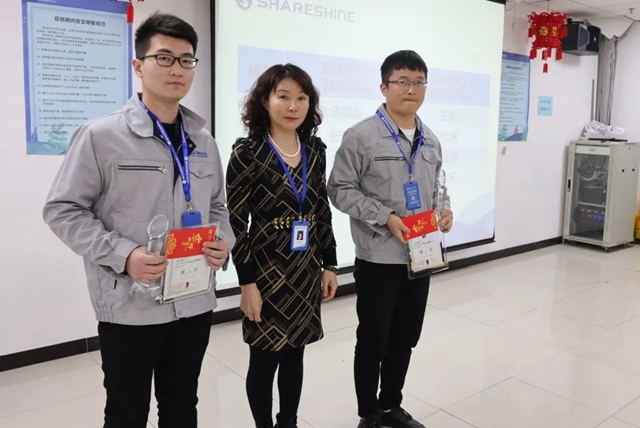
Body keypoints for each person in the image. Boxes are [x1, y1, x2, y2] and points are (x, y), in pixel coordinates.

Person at [42, 13, 234, 428]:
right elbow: (62, 209)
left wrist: (223, 241)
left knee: (182, 406)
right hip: (130, 306)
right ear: (138, 65)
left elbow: (219, 206)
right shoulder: (100, 136)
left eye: (186, 60)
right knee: (127, 412)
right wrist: (124, 255)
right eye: (164, 57)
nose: (177, 69)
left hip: (193, 300)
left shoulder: (203, 141)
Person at [327, 50, 453, 428]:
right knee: (373, 341)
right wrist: (385, 216)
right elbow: (339, 189)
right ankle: (368, 414)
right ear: (384, 87)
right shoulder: (361, 136)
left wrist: (444, 210)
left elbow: (438, 187)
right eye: (401, 81)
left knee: (405, 338)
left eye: (418, 82)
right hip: (379, 258)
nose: (410, 89)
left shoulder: (431, 140)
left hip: (421, 257)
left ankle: (390, 406)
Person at [226, 63, 339, 428]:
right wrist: (247, 283)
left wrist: (330, 264)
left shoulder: (314, 150)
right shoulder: (248, 152)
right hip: (265, 273)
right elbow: (235, 223)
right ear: (265, 101)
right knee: (263, 359)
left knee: (295, 354)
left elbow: (321, 209)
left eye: (301, 98)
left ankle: (288, 422)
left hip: (304, 269)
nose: (293, 106)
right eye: (284, 96)